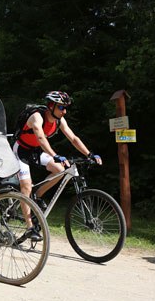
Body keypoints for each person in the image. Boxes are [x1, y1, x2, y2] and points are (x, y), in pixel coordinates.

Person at [13, 91, 101, 227]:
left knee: (60, 170)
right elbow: (41, 138)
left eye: (65, 108)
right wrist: (55, 155)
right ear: (50, 106)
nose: (64, 111)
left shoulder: (59, 120)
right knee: (26, 186)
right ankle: (30, 227)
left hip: (36, 151)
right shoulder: (37, 117)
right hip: (22, 150)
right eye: (61, 107)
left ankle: (37, 195)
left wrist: (89, 154)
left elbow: (73, 138)